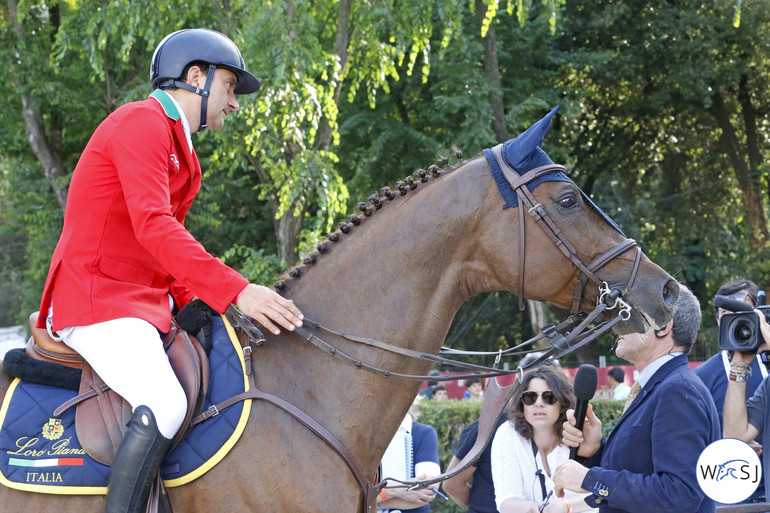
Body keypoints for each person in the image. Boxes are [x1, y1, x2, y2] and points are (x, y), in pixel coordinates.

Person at [35, 28, 304, 513]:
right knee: (165, 401)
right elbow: (154, 228)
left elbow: (162, 251)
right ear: (195, 77)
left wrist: (203, 304)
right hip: (95, 300)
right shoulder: (142, 123)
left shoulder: (180, 147)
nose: (235, 103)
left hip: (137, 302)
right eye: (230, 87)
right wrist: (237, 290)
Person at [554, 284, 720, 513]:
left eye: (629, 315)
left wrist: (589, 478)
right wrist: (594, 451)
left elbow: (678, 494)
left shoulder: (678, 391)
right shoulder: (662, 386)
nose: (616, 324)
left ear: (662, 326)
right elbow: (638, 472)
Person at [695, 279, 766, 504]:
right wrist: (728, 445)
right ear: (718, 320)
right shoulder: (700, 378)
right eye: (727, 312)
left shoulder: (767, 362)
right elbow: (694, 437)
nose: (737, 319)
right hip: (729, 493)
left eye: (744, 311)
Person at [490, 365, 593, 513]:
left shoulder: (577, 432)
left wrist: (565, 506)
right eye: (530, 397)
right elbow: (505, 501)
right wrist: (530, 508)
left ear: (562, 402)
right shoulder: (508, 433)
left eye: (549, 397)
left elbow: (600, 493)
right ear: (522, 404)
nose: (538, 403)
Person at [378, 410, 442, 513]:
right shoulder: (360, 434)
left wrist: (375, 499)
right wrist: (393, 490)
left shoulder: (423, 432)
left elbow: (427, 491)